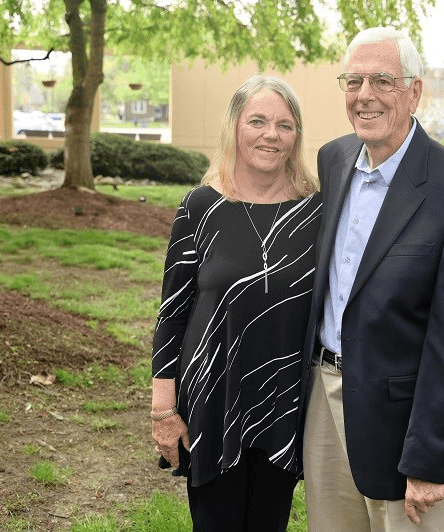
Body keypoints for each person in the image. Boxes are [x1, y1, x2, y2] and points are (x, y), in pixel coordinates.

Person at [299, 27, 444, 531]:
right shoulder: (335, 159)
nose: (364, 96)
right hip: (322, 396)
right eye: (354, 81)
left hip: (399, 423)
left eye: (382, 81)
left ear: (414, 92)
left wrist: (429, 460)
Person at [151, 74, 322, 532]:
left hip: (284, 406)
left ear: (297, 136)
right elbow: (173, 312)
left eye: (285, 125)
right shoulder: (200, 207)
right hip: (212, 400)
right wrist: (163, 410)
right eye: (258, 121)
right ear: (234, 127)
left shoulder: (318, 213)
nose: (271, 135)